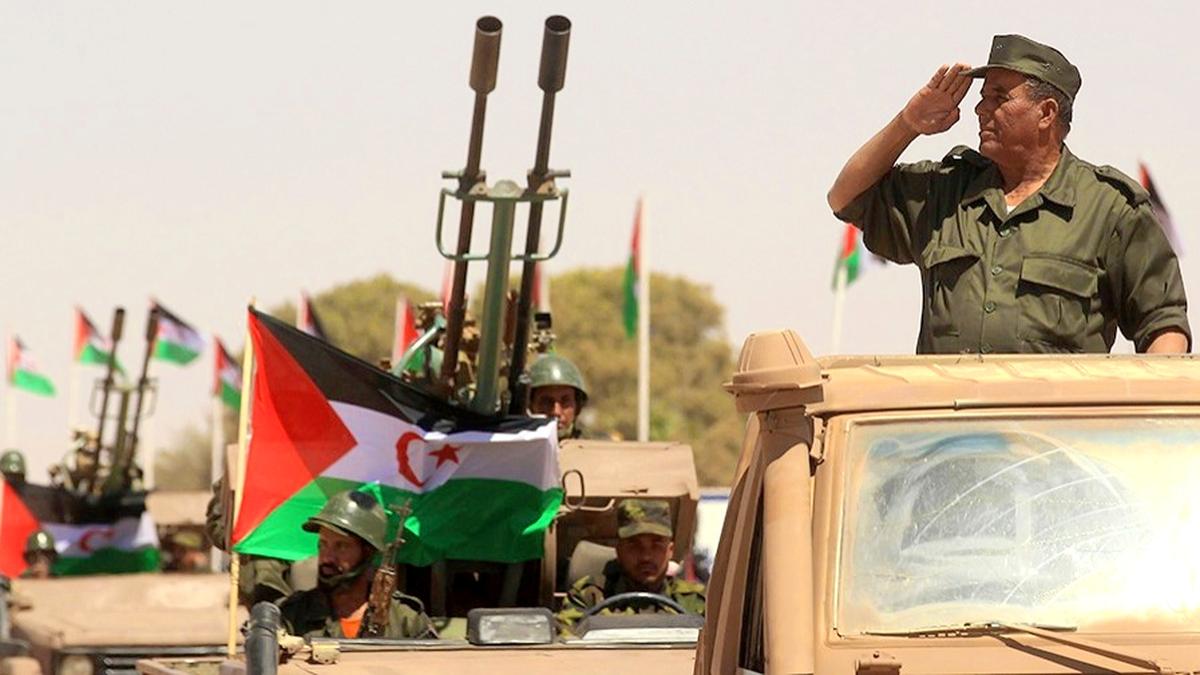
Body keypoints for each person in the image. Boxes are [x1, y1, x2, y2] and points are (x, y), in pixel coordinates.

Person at [827, 34, 1189, 355]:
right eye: (982, 97)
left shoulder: (1109, 208)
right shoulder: (947, 193)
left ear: (1046, 113)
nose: (980, 109)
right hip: (949, 412)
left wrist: (1147, 402)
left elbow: (1163, 326)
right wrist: (909, 123)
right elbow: (845, 197)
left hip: (1056, 414)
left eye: (998, 98)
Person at [278, 489, 435, 639]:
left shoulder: (405, 619)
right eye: (323, 544)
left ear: (367, 552)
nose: (327, 558)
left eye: (341, 546)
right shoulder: (292, 614)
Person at [557, 499, 705, 632]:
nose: (646, 556)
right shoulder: (589, 597)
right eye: (634, 545)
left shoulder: (694, 601)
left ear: (670, 551)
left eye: (657, 545)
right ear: (619, 551)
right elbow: (564, 642)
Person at [205, 476, 297, 606]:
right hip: (256, 573)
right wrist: (239, 540)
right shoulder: (238, 475)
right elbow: (216, 527)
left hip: (301, 564)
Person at [528, 354, 588, 439]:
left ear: (577, 408)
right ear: (530, 406)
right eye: (546, 402)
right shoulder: (514, 446)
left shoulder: (592, 446)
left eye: (565, 402)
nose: (556, 412)